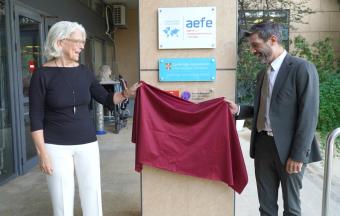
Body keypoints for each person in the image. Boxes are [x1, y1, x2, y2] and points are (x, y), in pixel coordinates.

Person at [29, 21, 140, 216]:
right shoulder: (42, 75)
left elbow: (106, 98)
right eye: (78, 41)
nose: (82, 46)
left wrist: (126, 93)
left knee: (92, 194)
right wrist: (43, 154)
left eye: (84, 41)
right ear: (60, 41)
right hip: (56, 146)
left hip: (87, 143)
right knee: (62, 201)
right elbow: (36, 118)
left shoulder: (84, 72)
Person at [226, 20, 321, 216]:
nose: (253, 51)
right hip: (262, 147)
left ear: (273, 39)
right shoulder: (262, 74)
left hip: (289, 150)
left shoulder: (302, 68)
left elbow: (308, 115)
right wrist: (239, 110)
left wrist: (298, 154)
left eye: (255, 45)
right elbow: (267, 109)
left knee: (291, 209)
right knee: (266, 207)